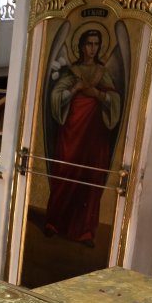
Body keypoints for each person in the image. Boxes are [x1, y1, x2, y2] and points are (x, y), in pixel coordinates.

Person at [45, 29, 121, 248]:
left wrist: (98, 94)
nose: (92, 48)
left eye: (96, 44)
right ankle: (54, 223)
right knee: (65, 172)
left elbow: (115, 100)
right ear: (80, 46)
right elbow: (55, 97)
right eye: (89, 44)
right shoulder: (72, 71)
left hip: (94, 136)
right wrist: (75, 89)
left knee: (90, 178)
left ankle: (85, 232)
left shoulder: (102, 73)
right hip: (72, 132)